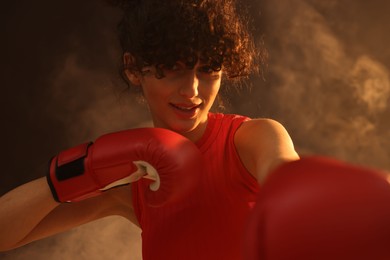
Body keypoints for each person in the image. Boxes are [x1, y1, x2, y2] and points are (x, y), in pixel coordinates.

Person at [1, 0, 388, 259]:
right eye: (173, 69)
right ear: (134, 68)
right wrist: (80, 169)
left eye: (208, 70)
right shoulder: (136, 184)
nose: (193, 91)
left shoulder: (250, 140)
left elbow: (286, 178)